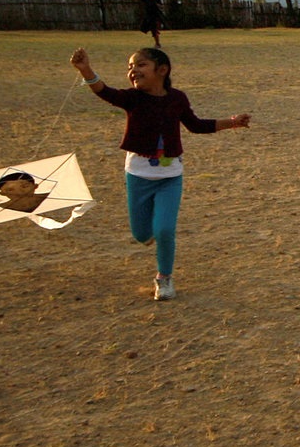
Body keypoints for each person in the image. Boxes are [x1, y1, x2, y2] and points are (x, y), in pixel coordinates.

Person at [68, 45, 250, 301]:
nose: (133, 70)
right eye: (130, 67)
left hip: (170, 177)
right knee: (141, 234)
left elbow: (196, 125)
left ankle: (164, 278)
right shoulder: (132, 98)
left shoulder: (177, 98)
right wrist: (85, 70)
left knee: (164, 230)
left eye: (141, 65)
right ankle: (151, 234)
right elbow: (104, 91)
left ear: (162, 70)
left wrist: (231, 123)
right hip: (138, 175)